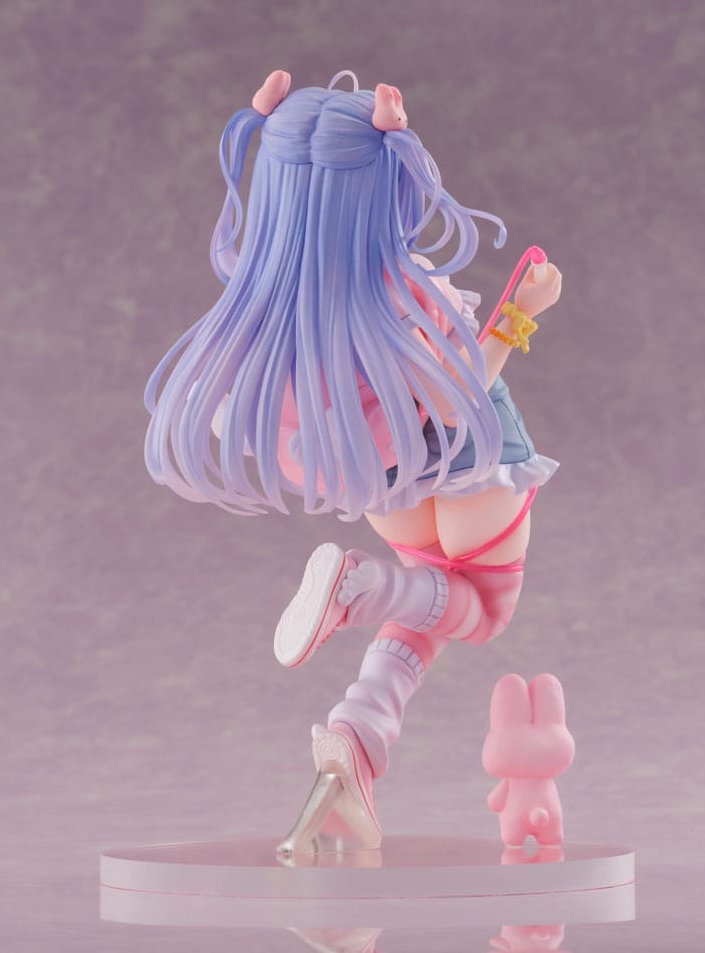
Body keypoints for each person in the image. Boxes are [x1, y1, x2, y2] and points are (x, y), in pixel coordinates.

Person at [144, 70, 562, 854]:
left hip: (387, 477)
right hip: (473, 462)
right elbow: (456, 402)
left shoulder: (261, 312)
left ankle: (357, 742)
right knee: (484, 612)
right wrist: (520, 312)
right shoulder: (404, 297)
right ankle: (361, 587)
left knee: (430, 609)